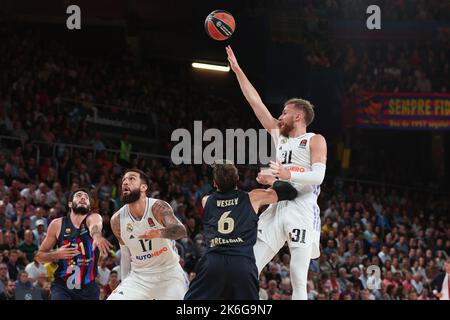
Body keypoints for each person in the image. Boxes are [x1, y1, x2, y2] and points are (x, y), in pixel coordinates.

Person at [226, 46, 327, 300]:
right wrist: (237, 70)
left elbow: (318, 178)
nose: (280, 116)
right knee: (249, 265)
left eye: (284, 112)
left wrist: (285, 174)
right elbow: (254, 101)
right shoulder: (279, 136)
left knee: (298, 277)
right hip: (277, 205)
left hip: (302, 208)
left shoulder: (315, 139)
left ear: (299, 116)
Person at [184, 160, 298, 300]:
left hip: (213, 261)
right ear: (237, 179)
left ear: (214, 183)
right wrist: (271, 180)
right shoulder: (252, 198)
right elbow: (290, 192)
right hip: (242, 263)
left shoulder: (206, 200)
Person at [107, 169, 188, 300]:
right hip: (139, 278)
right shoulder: (116, 220)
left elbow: (181, 230)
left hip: (169, 274)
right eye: (123, 180)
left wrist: (159, 232)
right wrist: (124, 283)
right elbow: (126, 257)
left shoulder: (158, 208)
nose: (125, 182)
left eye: (131, 179)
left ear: (143, 187)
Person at [35, 188, 112, 300]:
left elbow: (95, 228)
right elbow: (39, 256)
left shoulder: (94, 217)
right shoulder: (57, 224)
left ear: (89, 207)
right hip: (63, 286)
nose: (83, 198)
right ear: (70, 204)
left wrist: (97, 237)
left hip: (88, 288)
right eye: (79, 195)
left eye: (86, 197)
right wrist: (56, 254)